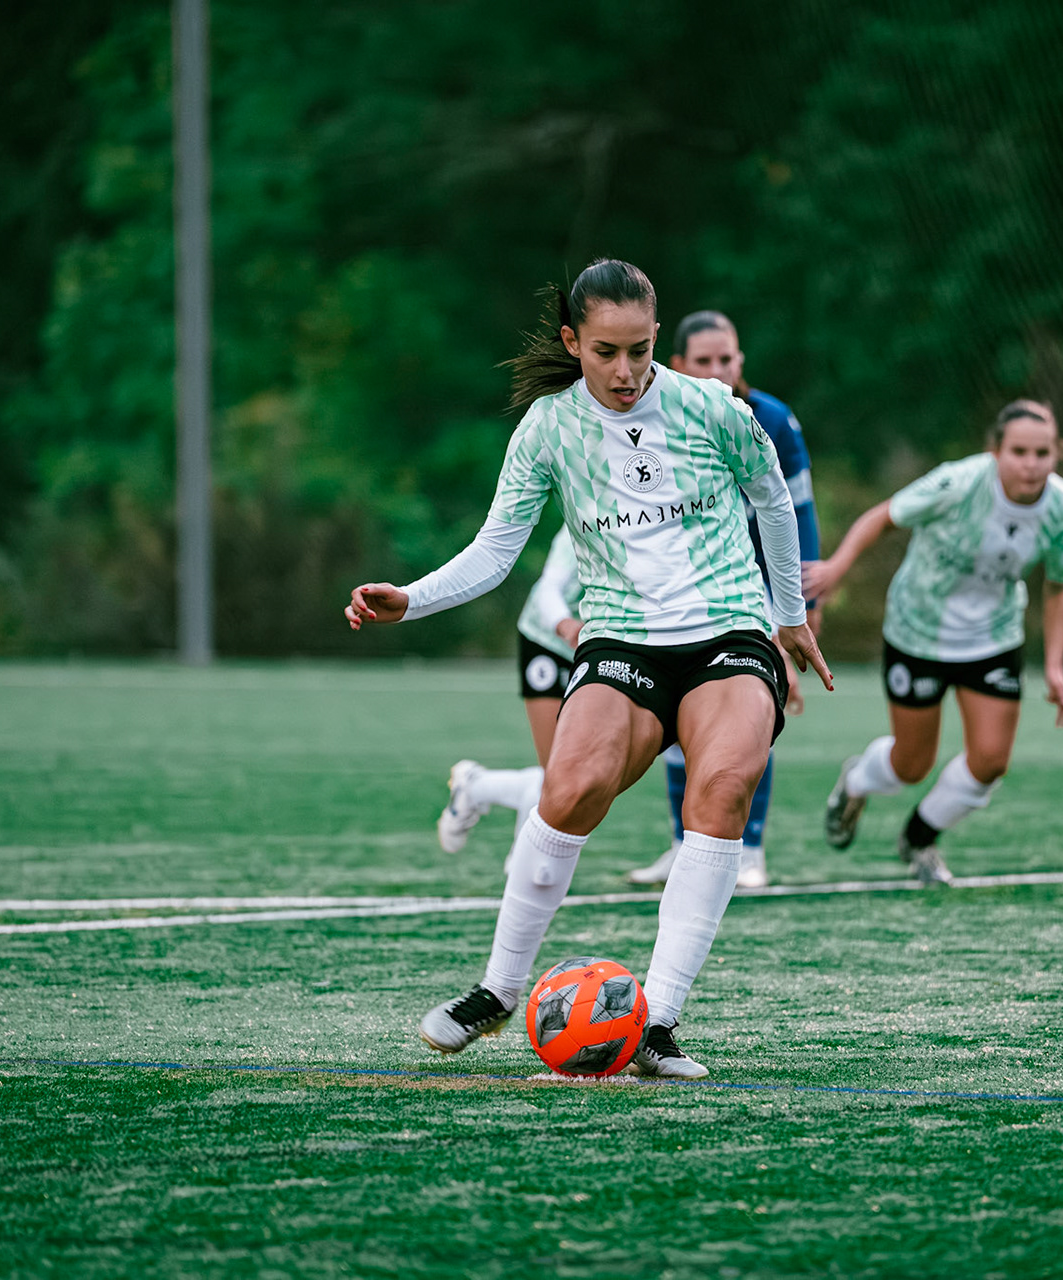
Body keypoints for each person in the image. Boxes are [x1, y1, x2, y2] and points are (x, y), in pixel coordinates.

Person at [346, 259, 831, 1080]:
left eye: (641, 349)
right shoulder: (547, 426)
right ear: (573, 341)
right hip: (622, 639)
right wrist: (412, 599)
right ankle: (498, 991)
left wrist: (787, 618)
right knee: (571, 789)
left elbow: (773, 502)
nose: (626, 370)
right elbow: (497, 552)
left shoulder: (716, 408)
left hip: (728, 630)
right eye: (606, 351)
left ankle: (658, 1024)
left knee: (723, 788)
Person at [808, 401, 1063, 883]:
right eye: (1018, 451)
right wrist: (837, 567)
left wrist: (1056, 666)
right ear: (995, 451)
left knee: (991, 761)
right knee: (911, 765)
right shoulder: (959, 483)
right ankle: (857, 780)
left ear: (1056, 454)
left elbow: (1062, 584)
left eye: (1042, 453)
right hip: (919, 631)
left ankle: (919, 840)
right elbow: (883, 516)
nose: (1031, 463)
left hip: (993, 637)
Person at [625, 310, 822, 890]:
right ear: (679, 364)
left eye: (728, 359)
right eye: (705, 361)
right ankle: (681, 843)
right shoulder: (653, 414)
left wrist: (798, 611)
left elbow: (798, 515)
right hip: (682, 590)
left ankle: (749, 849)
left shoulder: (775, 421)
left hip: (755, 589)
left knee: (749, 713)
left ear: (741, 360)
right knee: (677, 713)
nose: (719, 369)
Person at [433, 527, 582, 856]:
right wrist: (565, 624)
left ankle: (476, 787)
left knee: (586, 775)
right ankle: (524, 865)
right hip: (548, 640)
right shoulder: (593, 510)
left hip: (603, 650)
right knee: (561, 774)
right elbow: (548, 588)